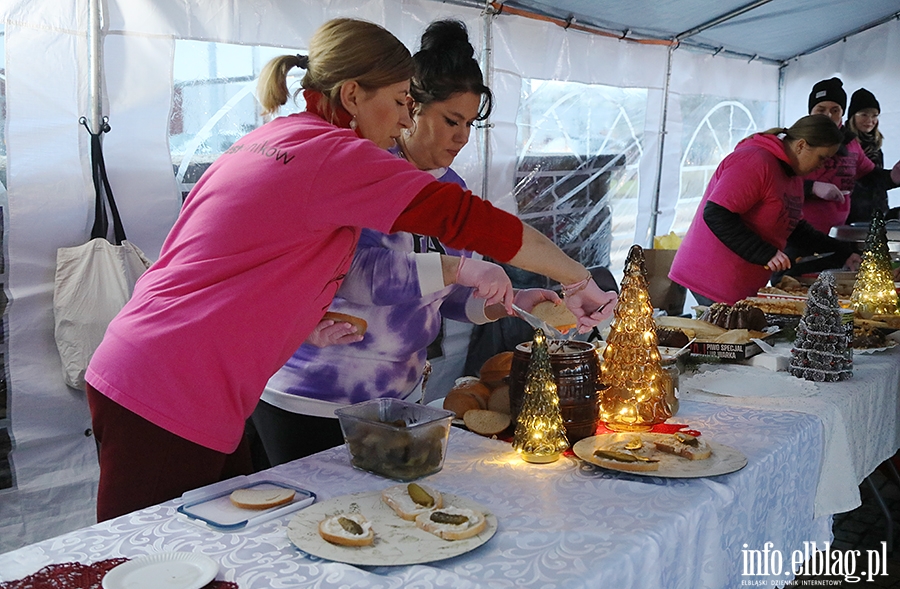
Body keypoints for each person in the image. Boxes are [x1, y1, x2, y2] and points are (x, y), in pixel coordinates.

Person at [84, 18, 616, 521]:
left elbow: (227, 261)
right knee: (142, 558)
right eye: (401, 102)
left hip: (172, 370)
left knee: (220, 545)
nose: (408, 118)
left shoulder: (274, 139)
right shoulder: (335, 156)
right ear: (352, 95)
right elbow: (469, 225)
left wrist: (303, 312)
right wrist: (577, 277)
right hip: (174, 384)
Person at [252, 20, 560, 465]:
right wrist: (465, 269)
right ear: (410, 109)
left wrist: (507, 302)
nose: (461, 136)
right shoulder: (364, 171)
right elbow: (359, 276)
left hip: (397, 400)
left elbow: (450, 299)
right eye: (450, 120)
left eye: (470, 124)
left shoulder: (452, 191)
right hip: (313, 397)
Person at [669, 114, 857, 305]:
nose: (822, 165)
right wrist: (765, 253)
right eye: (821, 158)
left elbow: (793, 227)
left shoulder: (792, 176)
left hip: (740, 282)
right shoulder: (755, 160)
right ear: (801, 145)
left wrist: (841, 251)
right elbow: (717, 213)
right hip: (711, 277)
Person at [800, 78, 900, 233]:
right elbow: (775, 183)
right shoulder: (798, 140)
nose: (828, 115)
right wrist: (811, 188)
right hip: (799, 233)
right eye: (821, 109)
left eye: (835, 110)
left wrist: (893, 177)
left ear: (842, 113)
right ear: (811, 111)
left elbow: (869, 175)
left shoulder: (851, 143)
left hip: (841, 232)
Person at [844, 88, 896, 223]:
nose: (870, 120)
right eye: (864, 115)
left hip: (877, 213)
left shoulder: (876, 146)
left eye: (874, 115)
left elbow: (877, 182)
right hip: (851, 215)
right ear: (852, 116)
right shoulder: (844, 143)